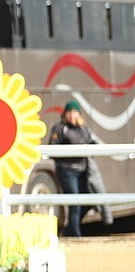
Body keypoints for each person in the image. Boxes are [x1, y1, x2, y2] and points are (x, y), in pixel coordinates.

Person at [47, 99, 99, 237]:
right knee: (75, 202)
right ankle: (76, 235)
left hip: (82, 170)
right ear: (65, 114)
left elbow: (90, 142)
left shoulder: (84, 128)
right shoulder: (60, 128)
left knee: (89, 201)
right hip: (66, 170)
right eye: (70, 112)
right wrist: (64, 148)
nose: (72, 115)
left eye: (75, 112)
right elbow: (51, 149)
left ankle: (69, 228)